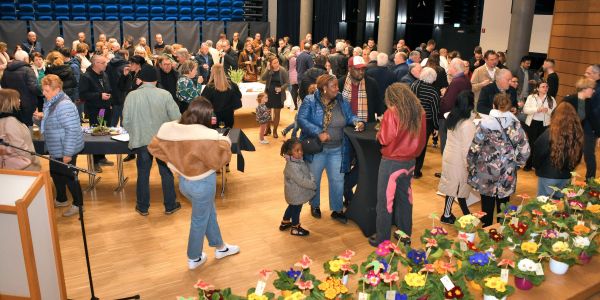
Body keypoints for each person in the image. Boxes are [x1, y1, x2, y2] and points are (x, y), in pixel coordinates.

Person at [147, 97, 239, 270]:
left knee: (208, 213)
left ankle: (220, 247)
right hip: (203, 184)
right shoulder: (209, 136)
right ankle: (194, 258)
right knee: (199, 220)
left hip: (184, 183)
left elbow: (154, 147)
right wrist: (225, 142)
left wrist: (173, 165)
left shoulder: (172, 128)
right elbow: (220, 160)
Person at [297, 74, 364, 223]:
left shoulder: (341, 100)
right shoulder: (310, 100)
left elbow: (350, 116)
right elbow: (301, 119)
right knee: (315, 179)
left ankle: (337, 209)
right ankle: (314, 205)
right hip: (317, 149)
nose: (337, 88)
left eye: (336, 85)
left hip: (337, 148)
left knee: (337, 180)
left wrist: (357, 122)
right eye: (333, 86)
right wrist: (318, 132)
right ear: (324, 88)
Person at [371, 83, 426, 246]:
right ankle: (404, 234)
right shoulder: (419, 112)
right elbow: (422, 140)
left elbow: (384, 139)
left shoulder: (392, 112)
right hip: (410, 161)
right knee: (405, 199)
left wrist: (380, 130)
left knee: (385, 201)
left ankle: (382, 238)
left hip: (392, 163)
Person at [123, 64, 181, 216]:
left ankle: (142, 207)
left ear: (141, 80)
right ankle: (170, 205)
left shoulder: (131, 96)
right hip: (162, 140)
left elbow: (126, 121)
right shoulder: (165, 94)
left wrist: (135, 132)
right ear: (156, 80)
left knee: (143, 173)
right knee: (166, 172)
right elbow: (177, 118)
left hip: (142, 141)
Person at [467, 93, 530, 227]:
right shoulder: (516, 125)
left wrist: (471, 165)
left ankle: (487, 232)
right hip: (507, 170)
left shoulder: (484, 124)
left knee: (486, 206)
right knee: (504, 206)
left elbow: (474, 148)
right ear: (509, 107)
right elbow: (525, 150)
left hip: (486, 170)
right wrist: (516, 164)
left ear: (493, 106)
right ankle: (501, 233)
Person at [36, 75, 84, 217]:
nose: (43, 93)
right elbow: (51, 124)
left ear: (57, 89)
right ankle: (62, 199)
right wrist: (39, 118)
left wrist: (68, 153)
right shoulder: (52, 101)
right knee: (56, 174)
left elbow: (72, 130)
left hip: (65, 148)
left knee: (70, 177)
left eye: (46, 90)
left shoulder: (64, 105)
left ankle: (78, 204)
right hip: (56, 147)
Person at [438, 91, 476, 224]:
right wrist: (470, 164)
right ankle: (446, 215)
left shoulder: (452, 116)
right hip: (459, 160)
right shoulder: (467, 124)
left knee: (454, 186)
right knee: (455, 187)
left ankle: (463, 214)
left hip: (450, 155)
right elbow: (467, 148)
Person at [532, 102, 583, 197]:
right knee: (558, 206)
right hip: (566, 176)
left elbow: (538, 152)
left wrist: (536, 166)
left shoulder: (549, 133)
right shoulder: (578, 134)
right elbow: (578, 156)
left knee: (543, 207)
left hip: (548, 175)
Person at [79, 54, 114, 171]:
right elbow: (83, 95)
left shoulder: (104, 74)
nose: (106, 64)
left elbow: (108, 88)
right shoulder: (86, 76)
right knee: (95, 134)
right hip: (95, 110)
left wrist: (109, 97)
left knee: (104, 132)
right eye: (103, 63)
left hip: (105, 108)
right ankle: (95, 161)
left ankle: (102, 157)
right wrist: (100, 95)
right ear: (96, 64)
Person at [278, 138, 317, 236]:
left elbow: (306, 172)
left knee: (292, 206)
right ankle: (295, 228)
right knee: (296, 210)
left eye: (301, 150)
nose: (301, 152)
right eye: (297, 150)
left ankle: (285, 222)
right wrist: (312, 183)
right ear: (289, 152)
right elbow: (301, 180)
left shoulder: (297, 160)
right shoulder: (293, 166)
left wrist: (310, 176)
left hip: (295, 193)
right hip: (296, 194)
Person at [564, 76, 599, 180]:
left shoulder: (587, 102)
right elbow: (556, 116)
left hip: (577, 134)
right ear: (584, 89)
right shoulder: (569, 100)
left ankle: (587, 180)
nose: (593, 91)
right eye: (592, 89)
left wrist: (599, 135)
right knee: (567, 157)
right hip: (566, 134)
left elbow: (593, 119)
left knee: (577, 158)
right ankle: (563, 178)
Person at [410, 67, 440, 178]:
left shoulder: (414, 85)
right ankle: (416, 171)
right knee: (421, 146)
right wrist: (436, 127)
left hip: (412, 119)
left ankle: (409, 168)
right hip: (425, 122)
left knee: (412, 144)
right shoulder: (433, 92)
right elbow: (435, 111)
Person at [0, 89, 40, 171]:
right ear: (10, 102)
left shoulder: (9, 117)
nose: (20, 100)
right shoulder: (10, 121)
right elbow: (20, 147)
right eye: (17, 98)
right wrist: (34, 159)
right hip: (26, 166)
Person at [439, 58, 471, 154]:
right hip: (459, 116)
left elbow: (448, 103)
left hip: (449, 117)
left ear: (454, 68)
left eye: (450, 66)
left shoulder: (457, 81)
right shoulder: (465, 79)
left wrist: (440, 109)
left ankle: (446, 169)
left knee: (446, 147)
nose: (448, 68)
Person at [522, 80, 556, 171]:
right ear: (537, 88)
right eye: (543, 87)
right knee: (531, 144)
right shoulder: (531, 97)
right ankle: (528, 164)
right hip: (532, 123)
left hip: (545, 125)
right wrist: (537, 109)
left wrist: (547, 110)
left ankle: (538, 166)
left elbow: (554, 113)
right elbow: (525, 110)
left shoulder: (551, 99)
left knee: (542, 145)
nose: (545, 88)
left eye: (546, 87)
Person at [0, 50, 40, 126]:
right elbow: (34, 87)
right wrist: (41, 91)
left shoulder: (6, 70)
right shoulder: (28, 70)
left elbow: (4, 87)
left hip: (12, 105)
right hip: (28, 104)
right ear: (25, 58)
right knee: (28, 127)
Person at [201, 64, 242, 128]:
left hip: (214, 117)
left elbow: (203, 101)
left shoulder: (209, 87)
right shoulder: (231, 84)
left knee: (214, 131)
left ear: (212, 73)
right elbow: (239, 96)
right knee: (227, 132)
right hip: (229, 115)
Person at [261, 55, 289, 138]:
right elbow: (263, 78)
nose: (277, 64)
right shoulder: (269, 69)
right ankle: (268, 129)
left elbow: (287, 83)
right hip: (269, 94)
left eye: (277, 62)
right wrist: (268, 69)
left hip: (278, 95)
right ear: (271, 64)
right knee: (267, 113)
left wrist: (281, 88)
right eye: (274, 63)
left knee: (277, 114)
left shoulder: (282, 70)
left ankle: (275, 131)